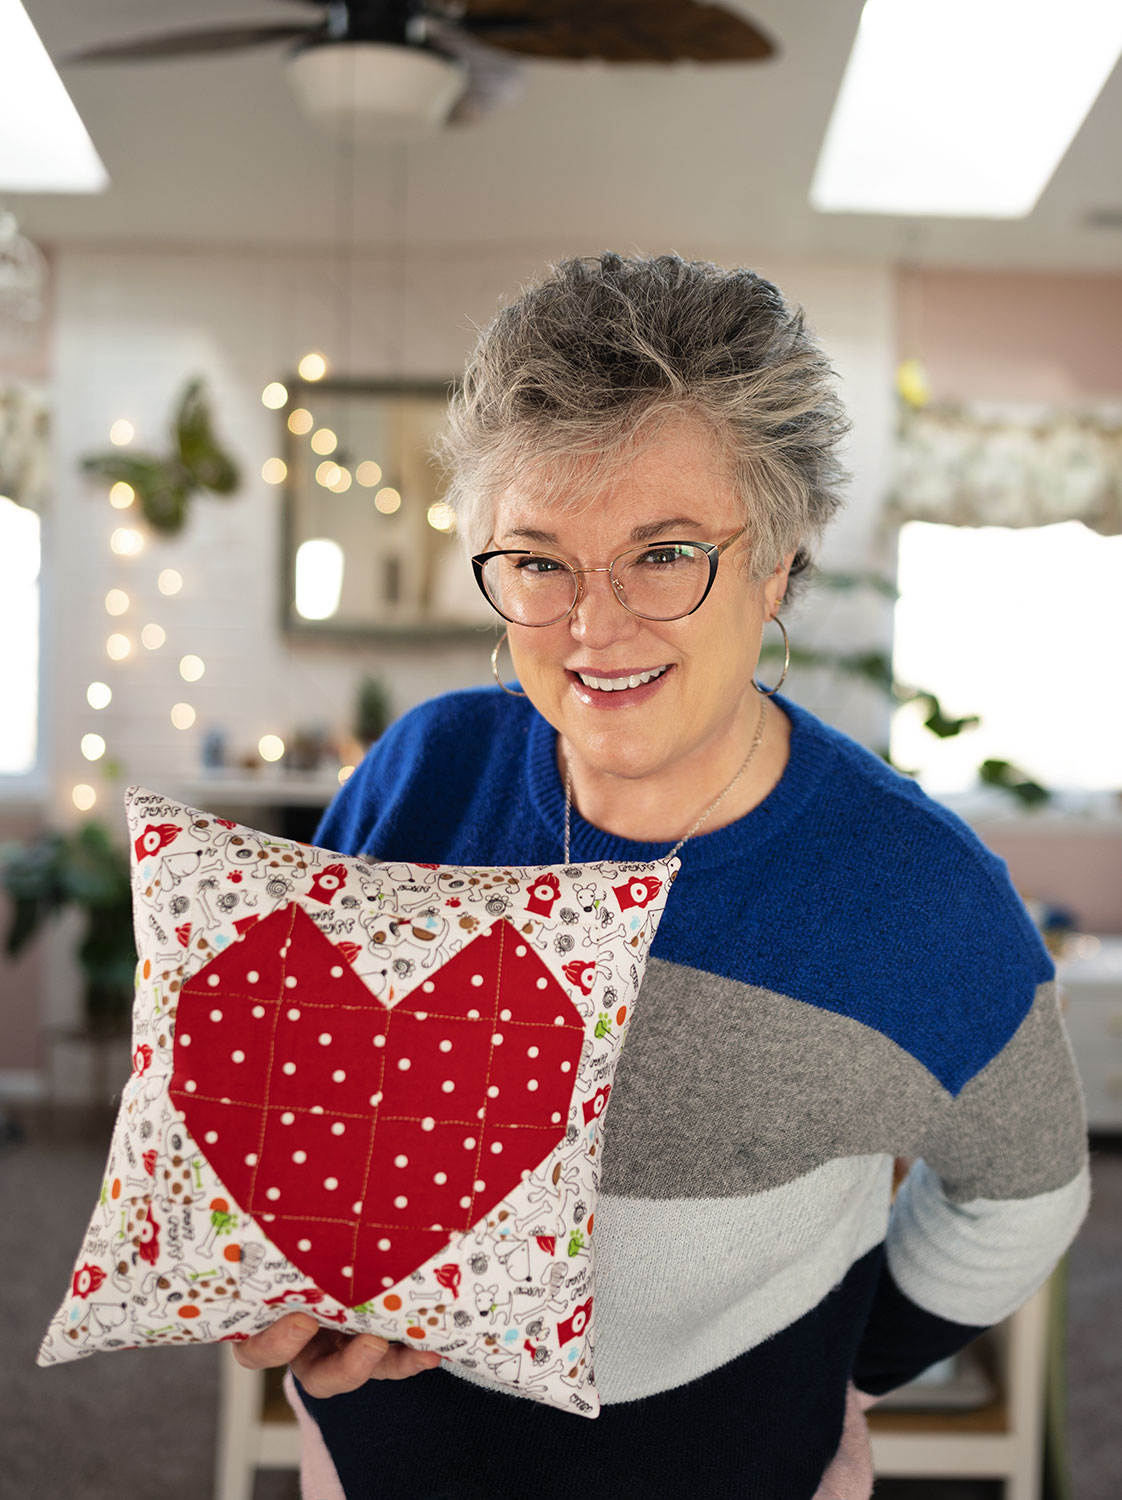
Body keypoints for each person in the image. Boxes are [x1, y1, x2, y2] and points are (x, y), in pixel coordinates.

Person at [233, 253, 1089, 1500]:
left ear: (779, 558)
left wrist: (848, 1373)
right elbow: (307, 1108)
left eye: (664, 552)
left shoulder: (920, 895)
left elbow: (1026, 1191)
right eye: (537, 560)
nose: (594, 624)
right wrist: (289, 1277)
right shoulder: (419, 778)